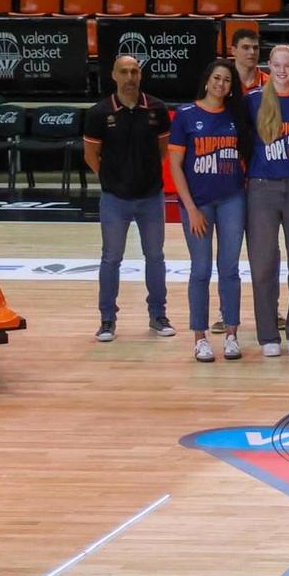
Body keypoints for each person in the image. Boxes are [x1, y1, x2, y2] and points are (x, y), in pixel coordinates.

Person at [83, 53, 176, 343]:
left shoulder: (157, 109)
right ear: (113, 76)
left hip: (150, 196)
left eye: (134, 71)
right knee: (111, 258)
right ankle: (107, 319)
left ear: (140, 75)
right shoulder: (99, 113)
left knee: (156, 257)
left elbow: (163, 150)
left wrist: (143, 176)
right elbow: (90, 156)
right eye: (123, 72)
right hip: (115, 199)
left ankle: (158, 314)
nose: (129, 77)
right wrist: (112, 179)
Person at [166, 59, 247, 360]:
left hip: (231, 199)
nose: (220, 84)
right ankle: (199, 337)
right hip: (197, 203)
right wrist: (190, 208)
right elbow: (175, 165)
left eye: (226, 80)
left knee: (229, 269)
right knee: (200, 269)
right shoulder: (187, 115)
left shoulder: (236, 115)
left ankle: (231, 335)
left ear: (230, 88)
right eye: (216, 78)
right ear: (206, 80)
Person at [244, 45, 289, 357]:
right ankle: (268, 336)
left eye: (287, 65)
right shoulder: (252, 101)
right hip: (262, 188)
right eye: (276, 65)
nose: (282, 70)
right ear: (269, 66)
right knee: (263, 266)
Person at [228, 27, 267, 92]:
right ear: (233, 51)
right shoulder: (223, 83)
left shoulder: (270, 84)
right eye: (246, 48)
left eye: (255, 48)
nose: (252, 52)